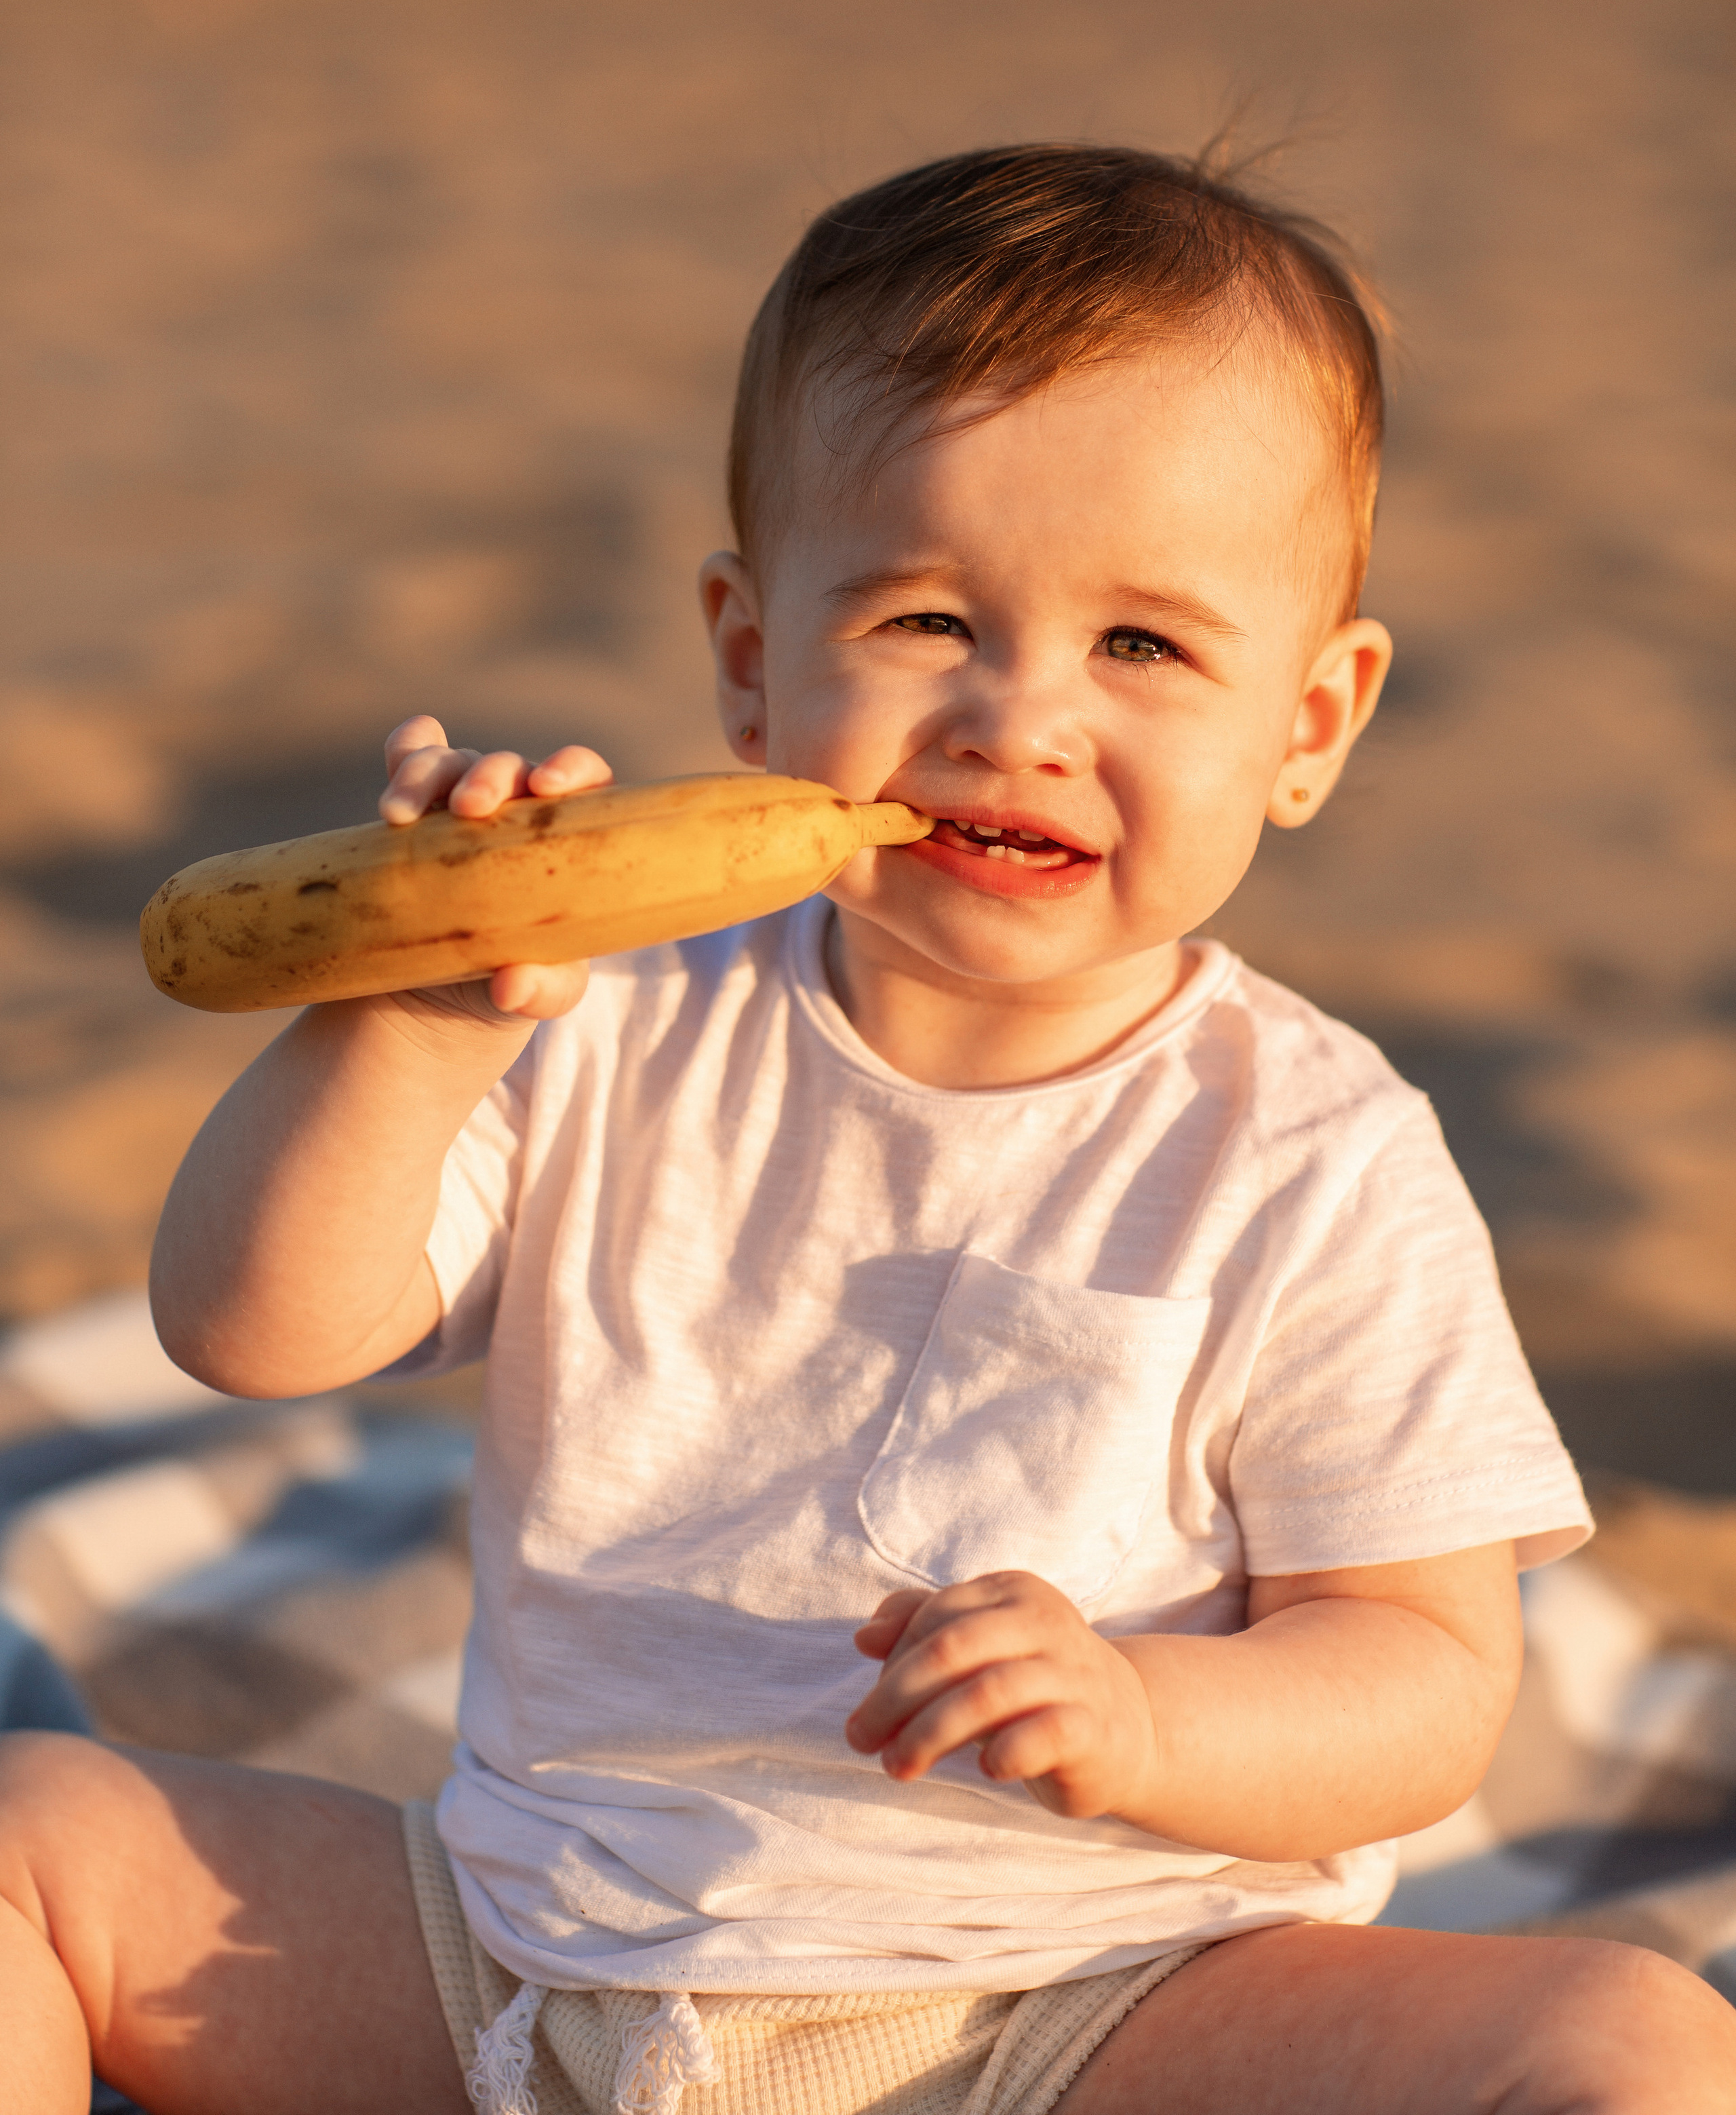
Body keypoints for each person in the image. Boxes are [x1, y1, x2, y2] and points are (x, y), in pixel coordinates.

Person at [5, 146, 1733, 2115]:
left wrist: (1145, 1708)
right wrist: (404, 1026)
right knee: (36, 1838)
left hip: (1073, 2011)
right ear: (752, 661)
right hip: (524, 1947)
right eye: (926, 620)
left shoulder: (1315, 1155)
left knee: (1632, 2044)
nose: (1019, 716)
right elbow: (253, 1327)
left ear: (1314, 724)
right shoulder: (624, 1011)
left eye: (1143, 647)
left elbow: (1425, 1678)